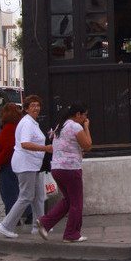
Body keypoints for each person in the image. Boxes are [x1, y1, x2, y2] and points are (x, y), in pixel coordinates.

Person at [0, 95, 52, 239]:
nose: (36, 108)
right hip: (26, 164)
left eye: (37, 105)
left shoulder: (32, 122)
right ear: (26, 109)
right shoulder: (27, 123)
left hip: (33, 165)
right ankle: (6, 225)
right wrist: (45, 148)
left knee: (38, 197)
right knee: (26, 196)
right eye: (32, 106)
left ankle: (39, 226)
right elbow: (25, 144)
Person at [36, 102, 92, 243]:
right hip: (70, 169)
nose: (85, 119)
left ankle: (45, 223)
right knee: (76, 203)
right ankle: (72, 234)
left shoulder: (61, 126)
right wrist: (86, 127)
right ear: (78, 114)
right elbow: (88, 145)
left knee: (68, 200)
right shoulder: (75, 126)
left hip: (57, 168)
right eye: (84, 116)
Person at [0, 103, 32, 223]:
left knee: (9, 193)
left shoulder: (9, 128)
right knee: (20, 191)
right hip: (18, 164)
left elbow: (8, 148)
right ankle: (28, 214)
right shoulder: (18, 126)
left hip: (8, 165)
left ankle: (13, 218)